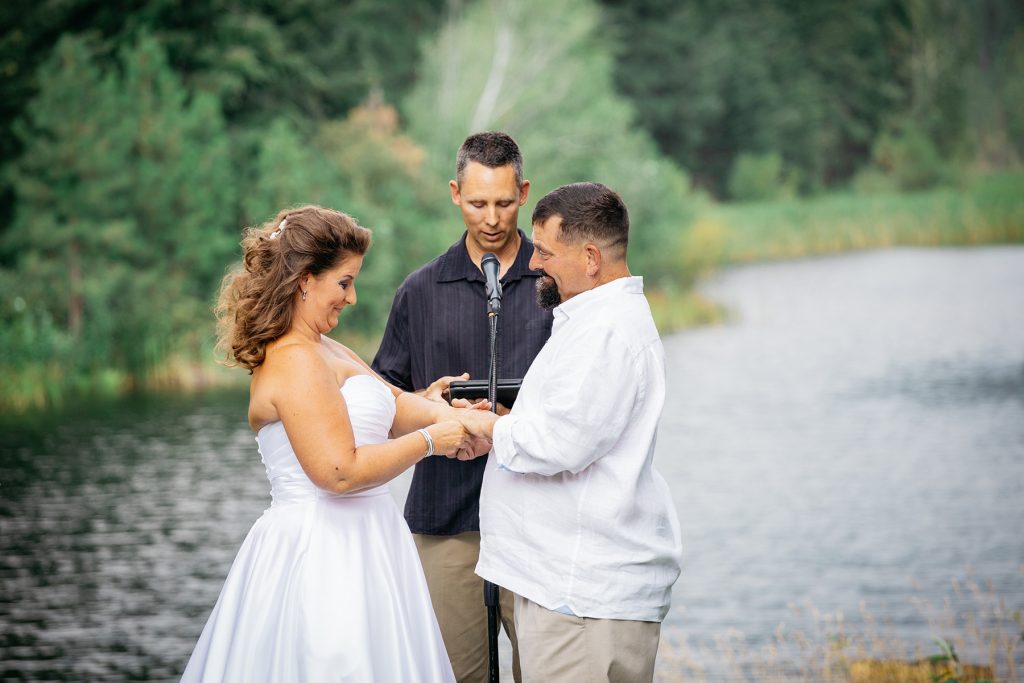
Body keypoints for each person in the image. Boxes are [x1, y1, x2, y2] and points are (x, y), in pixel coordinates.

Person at [182, 205, 489, 682]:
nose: (352, 298)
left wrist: (451, 413)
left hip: (371, 546)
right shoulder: (293, 358)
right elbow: (338, 473)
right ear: (305, 279)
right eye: (344, 283)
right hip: (323, 555)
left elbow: (396, 406)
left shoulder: (328, 349)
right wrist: (434, 440)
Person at [456, 183, 684, 682]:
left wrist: (479, 423)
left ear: (590, 257)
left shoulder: (607, 332)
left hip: (581, 596)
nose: (535, 263)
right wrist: (501, 429)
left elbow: (561, 443)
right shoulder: (593, 321)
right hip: (567, 588)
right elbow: (564, 425)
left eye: (546, 251)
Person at [372, 131, 553, 682]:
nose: (492, 218)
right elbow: (380, 401)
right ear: (454, 193)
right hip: (447, 524)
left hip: (540, 524)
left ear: (524, 191)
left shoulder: (557, 286)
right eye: (478, 203)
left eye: (504, 202)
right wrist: (427, 407)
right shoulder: (419, 290)